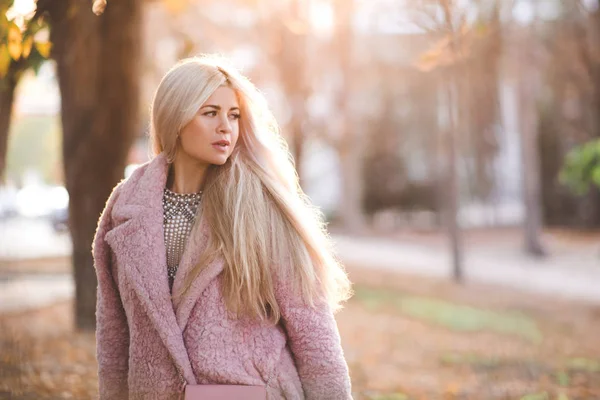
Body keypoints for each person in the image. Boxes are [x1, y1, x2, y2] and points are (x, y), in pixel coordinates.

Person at [92, 55, 353, 400]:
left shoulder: (260, 208)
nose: (226, 127)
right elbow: (113, 335)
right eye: (210, 113)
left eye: (233, 115)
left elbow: (314, 335)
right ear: (175, 118)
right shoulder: (125, 207)